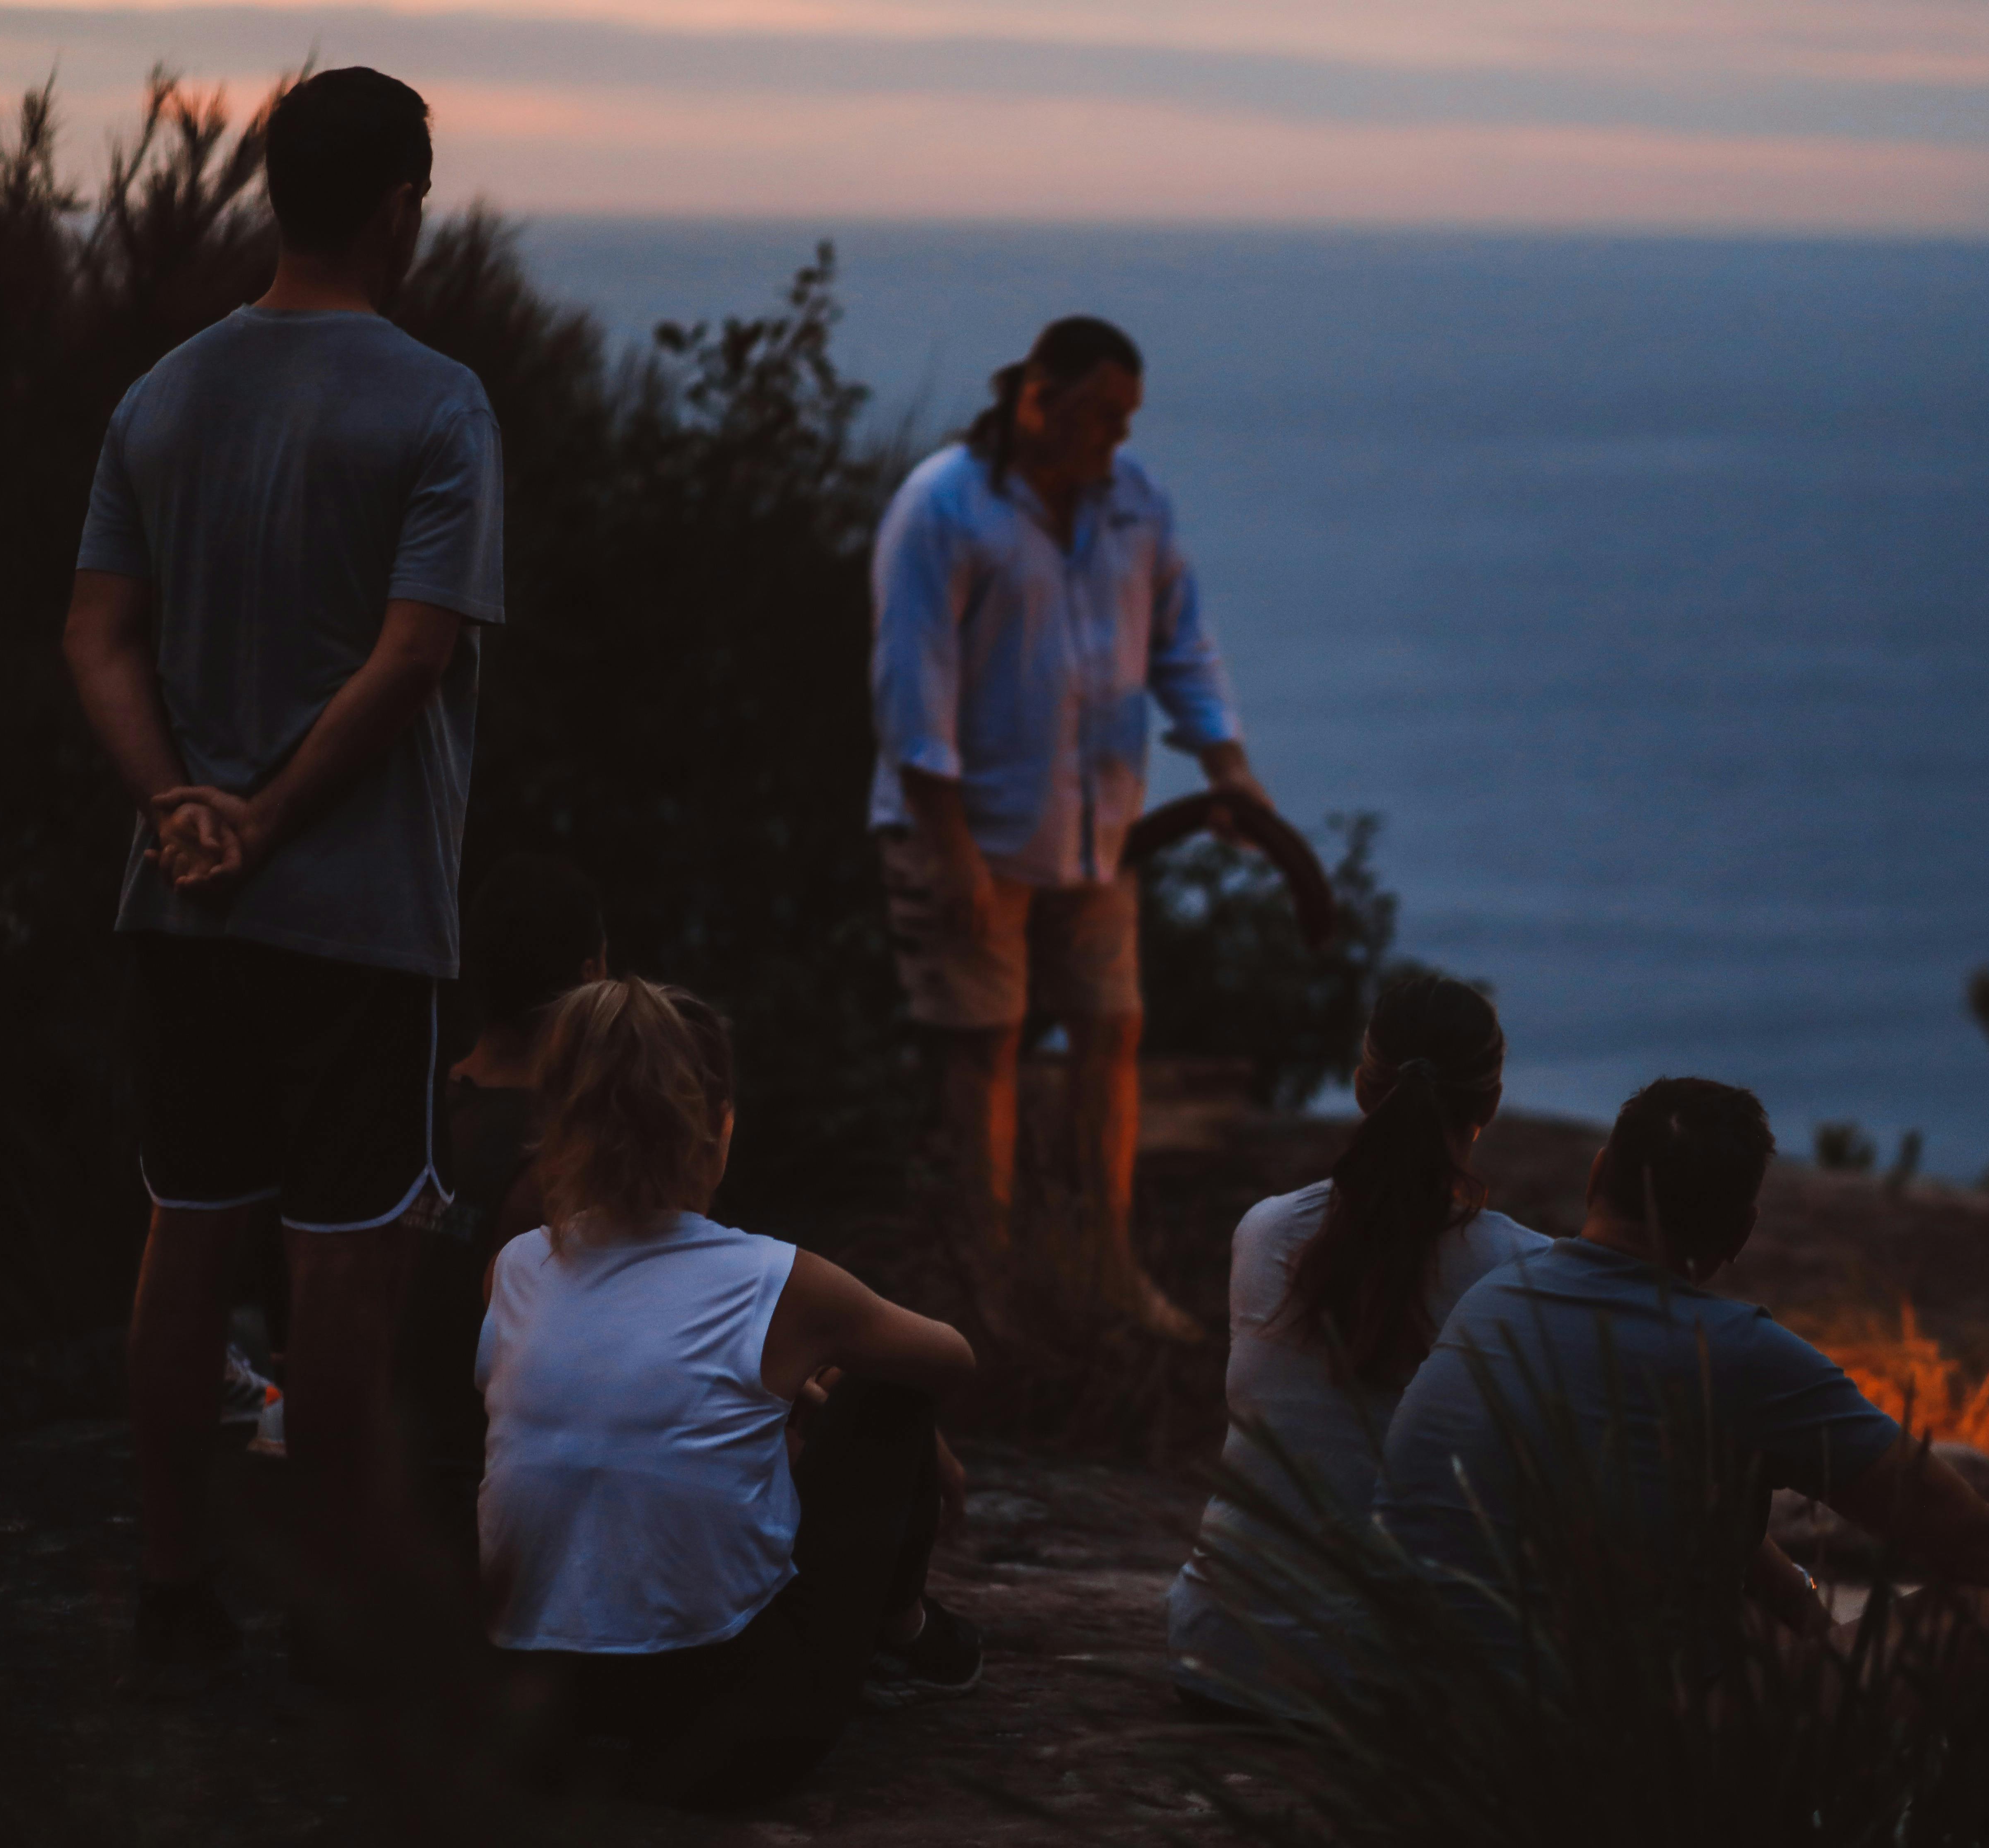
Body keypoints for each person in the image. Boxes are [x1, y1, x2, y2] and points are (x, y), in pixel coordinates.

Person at [58, 65, 505, 1685]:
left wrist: (182, 801)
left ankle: (177, 1593)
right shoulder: (440, 402)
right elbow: (412, 658)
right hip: (361, 908)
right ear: (399, 204)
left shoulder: (162, 398)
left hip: (181, 902)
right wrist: (271, 812)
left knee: (187, 1232)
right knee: (343, 1262)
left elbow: (96, 633)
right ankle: (336, 1614)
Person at [1375, 1078, 1989, 1710]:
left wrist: (1803, 1616)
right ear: (1741, 1233)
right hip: (1610, 1751)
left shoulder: (1491, 1302)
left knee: (1754, 1616)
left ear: (1599, 1176)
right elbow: (1970, 1535)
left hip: (1437, 1728)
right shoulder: (1736, 1351)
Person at [479, 978, 983, 1808]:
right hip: (733, 1733)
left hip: (543, 1712)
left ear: (557, 1127)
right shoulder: (778, 1279)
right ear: (718, 1126)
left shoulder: (519, 1267)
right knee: (888, 1402)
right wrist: (822, 1393)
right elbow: (951, 1358)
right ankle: (908, 1630)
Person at [868, 315, 1263, 1343]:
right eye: (1100, 417)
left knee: (1113, 1029)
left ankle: (1105, 1273)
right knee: (981, 1049)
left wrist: (1226, 765)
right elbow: (915, 693)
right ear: (1038, 397)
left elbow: (1182, 640)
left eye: (1127, 420)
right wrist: (949, 853)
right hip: (968, 833)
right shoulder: (943, 510)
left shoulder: (1135, 504)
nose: (1116, 442)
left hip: (1098, 837)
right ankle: (986, 1295)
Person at [1167, 975, 1545, 1714]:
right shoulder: (1525, 1273)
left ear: (1363, 1085)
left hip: (1217, 1654)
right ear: (1491, 1104)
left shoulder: (1267, 1231)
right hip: (1389, 1686)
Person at [394, 853, 607, 1556]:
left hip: (382, 1470)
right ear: (589, 978)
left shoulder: (407, 1109)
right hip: (484, 1494)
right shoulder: (564, 1159)